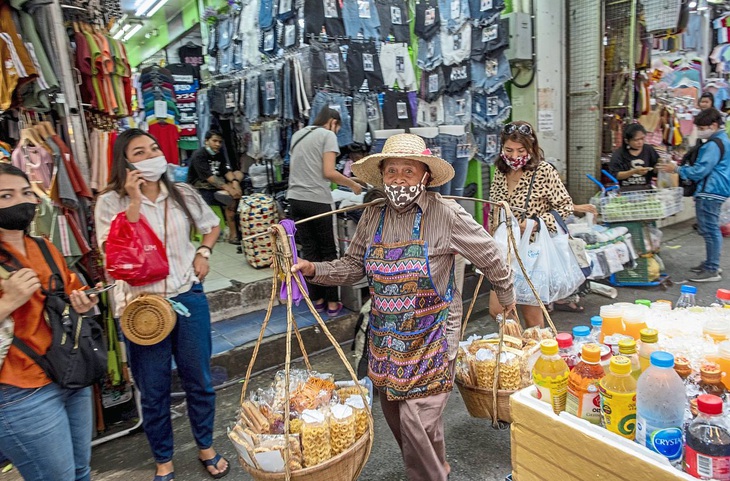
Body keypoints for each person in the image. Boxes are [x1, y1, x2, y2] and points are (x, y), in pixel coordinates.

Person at [291, 134, 515, 481]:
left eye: (408, 171)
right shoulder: (373, 215)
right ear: (382, 176)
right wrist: (314, 269)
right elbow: (354, 268)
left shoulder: (446, 214)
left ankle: (430, 477)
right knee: (398, 415)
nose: (398, 179)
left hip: (433, 336)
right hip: (388, 335)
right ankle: (435, 465)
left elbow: (492, 257)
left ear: (425, 176)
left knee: (416, 418)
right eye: (391, 171)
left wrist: (507, 298)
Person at [95, 129, 230, 480]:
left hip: (187, 298)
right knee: (153, 389)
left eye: (154, 148)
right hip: (142, 309)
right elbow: (114, 253)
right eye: (140, 151)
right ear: (125, 161)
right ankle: (164, 460)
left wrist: (203, 251)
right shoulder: (110, 201)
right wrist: (134, 200)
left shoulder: (182, 193)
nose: (151, 154)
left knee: (199, 380)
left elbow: (211, 226)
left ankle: (205, 446)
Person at [0, 164, 99, 481]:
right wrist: (8, 301)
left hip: (68, 372)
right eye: (6, 195)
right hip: (20, 389)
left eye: (26, 193)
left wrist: (84, 300)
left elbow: (71, 291)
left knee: (81, 469)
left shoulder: (44, 246)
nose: (21, 200)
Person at [488, 121, 573, 328]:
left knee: (532, 317)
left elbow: (566, 206)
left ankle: (535, 355)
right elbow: (494, 210)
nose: (514, 156)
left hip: (531, 253)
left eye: (520, 150)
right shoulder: (500, 171)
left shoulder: (543, 171)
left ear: (531, 148)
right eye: (509, 150)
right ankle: (514, 351)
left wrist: (536, 223)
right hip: (503, 252)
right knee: (498, 311)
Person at [286, 108, 363, 317]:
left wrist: (349, 180)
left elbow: (308, 170)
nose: (336, 133)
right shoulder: (327, 135)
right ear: (332, 122)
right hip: (317, 201)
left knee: (310, 251)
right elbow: (328, 172)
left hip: (295, 199)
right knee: (329, 253)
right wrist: (353, 186)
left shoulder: (298, 134)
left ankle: (317, 300)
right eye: (338, 128)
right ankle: (332, 303)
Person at [659, 108, 730, 283]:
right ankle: (710, 264)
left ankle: (712, 269)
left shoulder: (714, 144)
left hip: (710, 190)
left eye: (702, 127)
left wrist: (676, 169)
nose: (700, 131)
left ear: (713, 125)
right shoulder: (723, 141)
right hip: (716, 189)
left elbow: (700, 170)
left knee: (710, 229)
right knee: (709, 229)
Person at [186, 130, 243, 243]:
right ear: (206, 141)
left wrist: (235, 183)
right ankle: (234, 234)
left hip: (215, 187)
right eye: (214, 141)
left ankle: (237, 227)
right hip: (201, 190)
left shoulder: (219, 154)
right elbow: (211, 179)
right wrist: (231, 189)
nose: (218, 144)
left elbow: (226, 171)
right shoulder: (199, 155)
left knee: (238, 174)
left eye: (220, 142)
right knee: (229, 198)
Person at [608, 123, 659, 191]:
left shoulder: (649, 150)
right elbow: (615, 175)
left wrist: (658, 167)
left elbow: (655, 169)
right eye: (636, 140)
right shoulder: (619, 154)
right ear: (627, 141)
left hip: (645, 189)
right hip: (625, 191)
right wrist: (633, 172)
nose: (640, 142)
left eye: (642, 139)